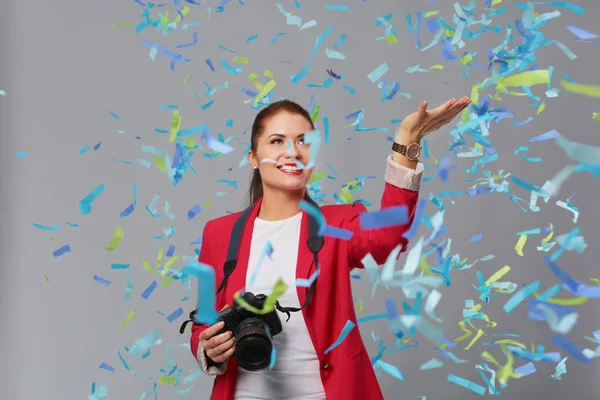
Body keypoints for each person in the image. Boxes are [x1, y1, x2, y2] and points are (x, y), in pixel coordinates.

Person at [187, 97, 470, 400]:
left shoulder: (339, 223)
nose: (292, 152)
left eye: (303, 142)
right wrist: (208, 347)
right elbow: (203, 325)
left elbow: (389, 236)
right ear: (253, 157)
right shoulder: (219, 233)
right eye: (277, 141)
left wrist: (407, 141)